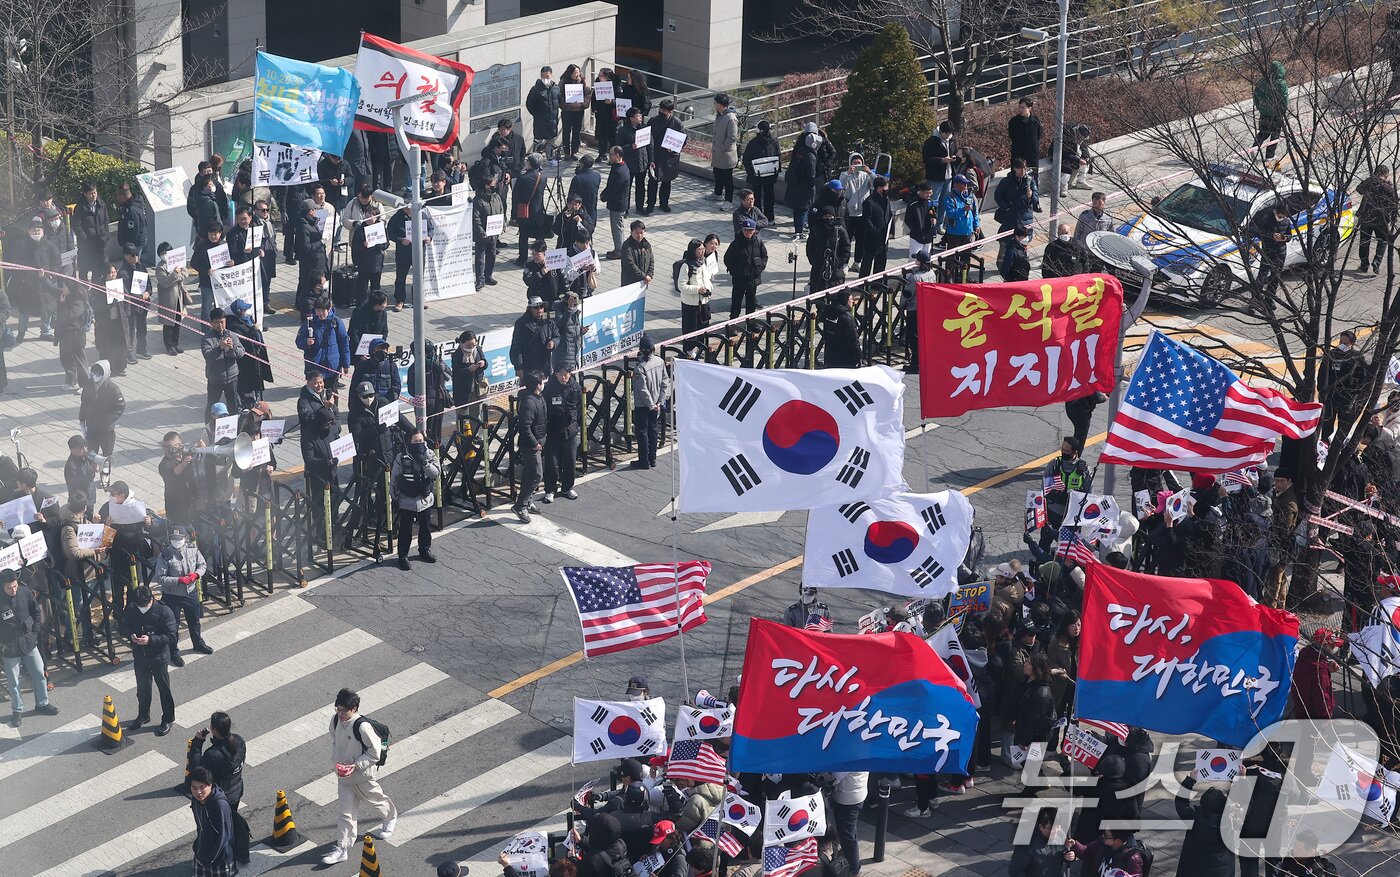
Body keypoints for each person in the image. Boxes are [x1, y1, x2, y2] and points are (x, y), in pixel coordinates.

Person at [322, 687, 397, 864]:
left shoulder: (362, 727)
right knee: (345, 813)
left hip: (362, 777)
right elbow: (334, 740)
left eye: (343, 710)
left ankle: (390, 817)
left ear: (354, 709)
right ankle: (343, 848)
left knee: (376, 801)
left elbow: (375, 753)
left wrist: (355, 766)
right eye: (337, 709)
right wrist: (337, 762)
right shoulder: (335, 721)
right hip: (344, 778)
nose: (339, 714)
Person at [1, 569, 59, 728]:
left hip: (28, 641)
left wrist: (35, 633)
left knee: (39, 673)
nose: (13, 590)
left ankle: (42, 703)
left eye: (14, 586)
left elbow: (36, 612)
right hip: (9, 647)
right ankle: (17, 710)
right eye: (9, 588)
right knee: (13, 681)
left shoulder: (24, 592)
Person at [192, 711, 249, 864]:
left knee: (216, 830)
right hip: (236, 791)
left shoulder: (214, 755)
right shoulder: (239, 741)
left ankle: (219, 857)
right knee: (230, 823)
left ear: (214, 729)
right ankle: (236, 851)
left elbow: (196, 771)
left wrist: (197, 743)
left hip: (220, 799)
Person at [119, 585, 178, 736]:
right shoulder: (132, 608)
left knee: (164, 689)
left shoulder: (164, 611)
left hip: (158, 657)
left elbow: (172, 636)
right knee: (142, 689)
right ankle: (143, 715)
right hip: (140, 656)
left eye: (144, 605)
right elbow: (123, 626)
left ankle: (168, 718)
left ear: (151, 599)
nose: (142, 609)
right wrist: (130, 634)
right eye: (139, 606)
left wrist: (151, 640)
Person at [155, 525, 210, 664]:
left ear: (185, 538)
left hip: (191, 592)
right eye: (173, 538)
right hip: (172, 595)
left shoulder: (192, 549)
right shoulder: (165, 555)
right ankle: (174, 651)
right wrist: (179, 580)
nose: (176, 541)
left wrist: (196, 574)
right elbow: (160, 578)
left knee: (194, 620)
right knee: (173, 626)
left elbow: (202, 565)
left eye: (179, 538)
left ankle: (198, 643)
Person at [392, 429, 440, 570]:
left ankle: (424, 550)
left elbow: (436, 474)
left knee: (425, 527)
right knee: (405, 530)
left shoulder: (429, 454)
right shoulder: (401, 457)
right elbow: (394, 479)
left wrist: (425, 464)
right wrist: (395, 497)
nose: (419, 443)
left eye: (421, 441)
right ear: (409, 441)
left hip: (425, 499)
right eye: (416, 441)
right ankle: (403, 555)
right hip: (407, 500)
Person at [1041, 436, 1092, 550]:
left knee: (1070, 547)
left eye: (1067, 451)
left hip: (1072, 515)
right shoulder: (1054, 465)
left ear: (1075, 452)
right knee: (1045, 542)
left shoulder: (1084, 470)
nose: (1063, 453)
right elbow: (1044, 488)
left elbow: (1089, 494)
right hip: (1053, 511)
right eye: (1062, 449)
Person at [543, 363, 582, 503]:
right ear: (556, 374)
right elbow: (544, 408)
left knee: (570, 461)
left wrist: (577, 425)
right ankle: (550, 489)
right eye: (561, 374)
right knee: (551, 463)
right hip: (554, 430)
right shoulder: (549, 389)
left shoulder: (575, 388)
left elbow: (580, 407)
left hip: (570, 431)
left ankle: (568, 487)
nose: (563, 377)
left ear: (570, 374)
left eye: (566, 374)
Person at [189, 766, 238, 877]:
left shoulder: (220, 805)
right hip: (201, 854)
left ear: (210, 785)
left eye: (202, 787)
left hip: (220, 860)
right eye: (194, 788)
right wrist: (197, 847)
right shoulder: (196, 801)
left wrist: (209, 859)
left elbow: (224, 836)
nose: (198, 792)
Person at [297, 298, 351, 396]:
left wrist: (346, 364)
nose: (320, 313)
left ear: (329, 309)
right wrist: (306, 342)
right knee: (314, 394)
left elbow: (344, 344)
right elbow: (298, 341)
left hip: (332, 366)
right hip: (314, 366)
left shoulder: (336, 323)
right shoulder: (310, 322)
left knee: (331, 393)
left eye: (323, 311)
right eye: (318, 310)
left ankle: (333, 411)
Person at [1321, 329, 1368, 439]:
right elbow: (1322, 373)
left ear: (1351, 344)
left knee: (1343, 427)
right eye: (1340, 342)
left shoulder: (1357, 358)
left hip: (1346, 399)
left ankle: (1337, 448)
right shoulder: (1332, 354)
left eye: (1345, 343)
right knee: (1327, 424)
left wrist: (1354, 393)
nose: (1342, 345)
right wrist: (1322, 389)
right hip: (1331, 396)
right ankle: (1325, 445)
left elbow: (1363, 378)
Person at [514, 371, 547, 523]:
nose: (544, 383)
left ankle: (527, 500)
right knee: (536, 475)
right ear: (537, 385)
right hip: (531, 445)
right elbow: (524, 427)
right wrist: (535, 443)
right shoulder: (528, 402)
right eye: (542, 381)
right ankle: (521, 504)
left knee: (529, 473)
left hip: (538, 441)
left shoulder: (537, 398)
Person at [630, 336, 668, 470]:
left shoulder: (640, 368)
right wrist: (659, 402)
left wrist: (651, 404)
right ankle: (653, 458)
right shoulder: (660, 361)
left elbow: (642, 389)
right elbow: (665, 383)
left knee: (642, 433)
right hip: (657, 405)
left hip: (643, 406)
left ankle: (644, 460)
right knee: (653, 431)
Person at [202, 308, 246, 413]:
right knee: (212, 405)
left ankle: (234, 427)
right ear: (211, 323)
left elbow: (241, 353)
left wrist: (233, 348)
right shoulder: (207, 339)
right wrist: (219, 347)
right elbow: (208, 356)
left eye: (222, 322)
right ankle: (209, 427)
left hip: (231, 377)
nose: (220, 325)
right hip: (215, 378)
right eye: (216, 322)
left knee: (233, 405)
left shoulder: (232, 335)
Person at [1355, 165, 1397, 274]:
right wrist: (1393, 218)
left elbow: (1359, 189)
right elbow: (1394, 204)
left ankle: (1364, 264)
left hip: (1366, 217)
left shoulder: (1370, 183)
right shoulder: (1388, 188)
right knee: (1382, 240)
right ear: (1386, 175)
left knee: (1364, 241)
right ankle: (1377, 261)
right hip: (1381, 219)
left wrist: (1370, 181)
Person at [79, 360, 125, 457]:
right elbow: (84, 404)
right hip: (91, 427)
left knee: (107, 456)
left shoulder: (113, 389)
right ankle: (90, 471)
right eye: (94, 372)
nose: (95, 375)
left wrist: (106, 421)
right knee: (91, 454)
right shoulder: (88, 386)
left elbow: (119, 407)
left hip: (106, 430)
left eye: (99, 373)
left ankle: (105, 472)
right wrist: (82, 419)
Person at [724, 219, 768, 319]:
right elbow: (727, 259)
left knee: (751, 302)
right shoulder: (736, 243)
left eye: (750, 230)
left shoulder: (758, 242)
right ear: (742, 230)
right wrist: (735, 272)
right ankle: (733, 323)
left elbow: (764, 256)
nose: (748, 232)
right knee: (736, 301)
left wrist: (759, 269)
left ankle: (751, 322)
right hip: (739, 279)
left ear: (754, 230)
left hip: (753, 278)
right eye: (746, 230)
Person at [646, 100, 685, 214]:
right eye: (661, 109)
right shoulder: (653, 121)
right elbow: (649, 137)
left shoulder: (676, 123)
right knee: (653, 181)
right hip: (655, 154)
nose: (662, 112)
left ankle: (664, 203)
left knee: (667, 181)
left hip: (669, 157)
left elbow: (683, 139)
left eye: (665, 110)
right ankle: (650, 204)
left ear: (670, 111)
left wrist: (674, 148)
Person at [902, 251, 937, 373]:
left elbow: (908, 294)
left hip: (914, 309)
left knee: (913, 338)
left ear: (920, 262)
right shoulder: (932, 273)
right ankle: (922, 362)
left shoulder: (915, 277)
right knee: (923, 337)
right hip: (926, 309)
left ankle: (915, 365)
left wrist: (903, 305)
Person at [676, 238, 714, 354]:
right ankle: (689, 352)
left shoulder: (703, 263)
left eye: (703, 249)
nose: (702, 252)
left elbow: (707, 279)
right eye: (699, 250)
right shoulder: (686, 266)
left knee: (703, 328)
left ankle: (701, 349)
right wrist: (698, 289)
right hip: (691, 304)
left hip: (704, 302)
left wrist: (708, 288)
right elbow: (681, 286)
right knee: (690, 330)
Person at [941, 174, 981, 283]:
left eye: (966, 183)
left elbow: (975, 212)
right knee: (951, 258)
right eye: (963, 184)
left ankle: (964, 276)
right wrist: (963, 209)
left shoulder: (970, 196)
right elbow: (950, 213)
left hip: (968, 232)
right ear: (956, 185)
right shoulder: (950, 197)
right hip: (955, 232)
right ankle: (949, 277)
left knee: (966, 257)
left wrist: (976, 224)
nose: (966, 186)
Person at [995, 158, 1041, 253]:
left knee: (1022, 247)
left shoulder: (1030, 181)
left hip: (1025, 219)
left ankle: (1020, 264)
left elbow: (1036, 199)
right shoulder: (1006, 181)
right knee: (1006, 245)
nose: (1023, 171)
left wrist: (1031, 196)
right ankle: (1003, 265)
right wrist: (1006, 207)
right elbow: (998, 195)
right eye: (1020, 168)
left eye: (1024, 168)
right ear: (1015, 169)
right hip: (1010, 219)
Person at [155, 242, 191, 356]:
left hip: (179, 296)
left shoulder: (177, 262)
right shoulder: (160, 267)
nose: (164, 255)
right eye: (162, 253)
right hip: (168, 297)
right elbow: (164, 282)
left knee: (178, 322)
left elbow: (186, 273)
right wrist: (175, 274)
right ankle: (168, 345)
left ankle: (175, 343)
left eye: (166, 252)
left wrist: (176, 275)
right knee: (168, 323)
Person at [511, 297, 561, 378]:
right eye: (536, 308)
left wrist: (553, 342)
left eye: (541, 307)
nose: (540, 310)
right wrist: (519, 367)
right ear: (530, 309)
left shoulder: (548, 321)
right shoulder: (522, 323)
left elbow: (557, 336)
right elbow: (516, 347)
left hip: (545, 365)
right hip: (529, 366)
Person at [786, 124, 821, 240]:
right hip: (804, 187)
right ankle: (799, 232)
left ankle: (798, 230)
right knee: (803, 209)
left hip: (796, 185)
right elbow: (811, 174)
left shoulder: (800, 151)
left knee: (798, 209)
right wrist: (812, 186)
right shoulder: (811, 156)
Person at [55, 278, 91, 391]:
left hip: (76, 336)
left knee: (80, 361)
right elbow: (51, 289)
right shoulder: (65, 297)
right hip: (65, 336)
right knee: (66, 359)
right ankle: (71, 381)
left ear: (70, 288)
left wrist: (62, 304)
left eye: (65, 286)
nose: (63, 289)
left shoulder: (78, 301)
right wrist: (42, 278)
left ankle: (85, 385)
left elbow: (69, 316)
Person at [922, 120, 959, 230]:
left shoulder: (952, 141)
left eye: (950, 133)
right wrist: (942, 160)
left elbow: (956, 152)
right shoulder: (931, 142)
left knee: (944, 202)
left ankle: (939, 225)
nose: (948, 136)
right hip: (936, 177)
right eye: (946, 133)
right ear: (941, 131)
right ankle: (930, 225)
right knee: (933, 202)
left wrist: (956, 158)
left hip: (949, 176)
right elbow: (927, 159)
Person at [1007, 809, 1065, 877]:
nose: (1055, 832)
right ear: (1041, 827)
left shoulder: (1060, 834)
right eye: (1051, 829)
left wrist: (1070, 856)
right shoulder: (1027, 844)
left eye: (1057, 827)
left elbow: (1065, 853)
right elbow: (1015, 869)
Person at [743, 119, 781, 222]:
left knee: (756, 197)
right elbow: (778, 157)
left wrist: (750, 173)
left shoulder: (753, 143)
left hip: (756, 175)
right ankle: (770, 218)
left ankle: (757, 217)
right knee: (769, 196)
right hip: (770, 174)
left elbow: (746, 159)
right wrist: (776, 173)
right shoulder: (774, 142)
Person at [473, 172, 506, 290]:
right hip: (482, 235)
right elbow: (476, 219)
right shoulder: (478, 200)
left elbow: (501, 211)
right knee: (480, 258)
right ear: (487, 185)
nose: (495, 185)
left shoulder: (496, 197)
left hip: (494, 233)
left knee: (491, 255)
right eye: (493, 183)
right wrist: (482, 232)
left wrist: (503, 224)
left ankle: (488, 275)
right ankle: (480, 279)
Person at [74, 181, 111, 284]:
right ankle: (83, 292)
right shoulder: (80, 207)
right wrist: (84, 238)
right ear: (85, 194)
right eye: (90, 193)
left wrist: (106, 234)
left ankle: (97, 292)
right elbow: (76, 225)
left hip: (100, 243)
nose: (93, 195)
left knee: (99, 269)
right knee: (84, 269)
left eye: (95, 192)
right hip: (87, 245)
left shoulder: (101, 204)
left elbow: (106, 221)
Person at [808, 207, 851, 294]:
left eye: (830, 216)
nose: (828, 219)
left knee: (836, 294)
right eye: (826, 216)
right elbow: (810, 248)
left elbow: (846, 247)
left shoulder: (840, 230)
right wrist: (814, 261)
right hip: (819, 267)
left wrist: (840, 262)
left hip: (836, 269)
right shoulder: (816, 229)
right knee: (817, 293)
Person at [840, 155, 873, 267]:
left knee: (861, 240)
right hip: (850, 214)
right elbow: (842, 186)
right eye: (855, 162)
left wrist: (869, 172)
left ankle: (857, 262)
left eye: (859, 162)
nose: (857, 165)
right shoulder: (845, 175)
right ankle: (844, 263)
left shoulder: (866, 176)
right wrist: (848, 173)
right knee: (846, 240)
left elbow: (875, 184)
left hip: (863, 213)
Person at [617, 108, 651, 216]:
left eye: (640, 116)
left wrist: (651, 160)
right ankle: (625, 208)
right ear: (631, 118)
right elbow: (618, 147)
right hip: (629, 163)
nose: (640, 118)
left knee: (641, 187)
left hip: (642, 162)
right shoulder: (624, 130)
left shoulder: (644, 128)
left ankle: (639, 207)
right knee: (627, 187)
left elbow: (651, 145)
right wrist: (630, 147)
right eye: (637, 116)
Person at [858, 176, 894, 278]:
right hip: (872, 238)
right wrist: (874, 232)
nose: (887, 190)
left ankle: (877, 284)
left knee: (881, 262)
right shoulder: (869, 202)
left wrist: (891, 231)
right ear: (879, 188)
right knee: (867, 262)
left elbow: (889, 214)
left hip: (884, 237)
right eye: (885, 187)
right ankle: (862, 283)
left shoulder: (886, 200)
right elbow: (867, 220)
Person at [709, 93, 740, 209]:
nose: (714, 105)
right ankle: (717, 193)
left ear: (720, 105)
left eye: (715, 103)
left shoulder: (730, 118)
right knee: (717, 173)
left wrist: (723, 147)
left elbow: (732, 137)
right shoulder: (719, 115)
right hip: (718, 153)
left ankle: (729, 201)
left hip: (726, 154)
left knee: (727, 179)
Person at [1253, 60, 1289, 159]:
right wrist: (1283, 110)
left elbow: (1255, 95)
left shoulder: (1262, 81)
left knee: (1263, 132)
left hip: (1264, 112)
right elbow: (1284, 98)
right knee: (1275, 135)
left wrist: (1259, 107)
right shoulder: (1281, 83)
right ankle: (1270, 155)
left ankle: (1254, 148)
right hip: (1276, 113)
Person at [600, 146, 632, 259]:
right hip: (619, 202)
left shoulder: (619, 171)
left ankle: (619, 251)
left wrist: (603, 196)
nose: (609, 156)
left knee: (617, 228)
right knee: (618, 227)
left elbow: (613, 188)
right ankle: (618, 248)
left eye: (611, 155)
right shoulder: (621, 166)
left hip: (617, 204)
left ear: (617, 155)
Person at [822, 289, 861, 369]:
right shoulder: (846, 318)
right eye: (851, 299)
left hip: (830, 356)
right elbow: (853, 340)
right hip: (845, 360)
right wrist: (858, 356)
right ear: (846, 301)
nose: (853, 302)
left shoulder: (828, 312)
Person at [526, 65, 561, 152]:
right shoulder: (536, 89)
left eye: (547, 76)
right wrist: (537, 114)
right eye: (543, 76)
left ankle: (550, 158)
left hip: (552, 121)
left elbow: (559, 101)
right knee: (538, 142)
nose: (545, 78)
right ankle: (536, 160)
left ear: (551, 75)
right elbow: (529, 104)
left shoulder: (556, 88)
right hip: (540, 122)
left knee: (550, 142)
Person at [554, 291, 591, 371]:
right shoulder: (559, 311)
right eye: (573, 305)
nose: (575, 307)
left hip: (575, 351)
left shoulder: (575, 313)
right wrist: (569, 309)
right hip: (564, 353)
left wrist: (581, 331)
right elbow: (561, 324)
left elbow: (573, 329)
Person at [1007, 98, 1043, 181]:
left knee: (1032, 178)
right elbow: (1012, 136)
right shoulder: (1014, 121)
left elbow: (1039, 135)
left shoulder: (1035, 120)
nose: (1021, 110)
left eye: (1023, 108)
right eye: (1019, 107)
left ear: (1029, 108)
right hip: (1018, 153)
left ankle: (1033, 193)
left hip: (1032, 154)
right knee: (1016, 177)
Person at [559, 63, 590, 160]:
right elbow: (559, 96)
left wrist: (581, 104)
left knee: (576, 132)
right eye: (575, 73)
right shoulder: (563, 82)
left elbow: (588, 95)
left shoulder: (583, 82)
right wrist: (567, 104)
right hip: (567, 111)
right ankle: (566, 152)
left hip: (578, 111)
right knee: (566, 131)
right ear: (570, 73)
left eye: (578, 72)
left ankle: (574, 152)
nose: (577, 74)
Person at [348, 291, 390, 360]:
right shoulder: (359, 312)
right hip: (361, 350)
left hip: (376, 350)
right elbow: (354, 332)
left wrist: (381, 346)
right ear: (377, 304)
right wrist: (360, 352)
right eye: (384, 303)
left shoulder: (383, 314)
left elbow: (384, 331)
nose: (386, 305)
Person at [904, 180, 938, 260]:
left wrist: (934, 220)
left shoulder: (931, 203)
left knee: (926, 259)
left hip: (928, 237)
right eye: (926, 193)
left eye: (930, 193)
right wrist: (916, 230)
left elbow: (935, 215)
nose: (929, 195)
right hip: (916, 237)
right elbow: (907, 220)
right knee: (914, 259)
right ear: (920, 192)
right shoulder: (913, 204)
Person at [568, 155, 602, 232]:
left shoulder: (577, 178)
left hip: (580, 210)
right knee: (589, 230)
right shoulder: (597, 176)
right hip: (592, 209)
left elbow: (571, 196)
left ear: (582, 164)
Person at [592, 69, 619, 157]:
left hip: (611, 116)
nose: (600, 77)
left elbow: (620, 101)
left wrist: (612, 102)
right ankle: (601, 154)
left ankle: (612, 155)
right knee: (601, 136)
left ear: (607, 77)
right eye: (599, 75)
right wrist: (594, 108)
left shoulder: (616, 87)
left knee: (612, 137)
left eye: (602, 76)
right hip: (600, 114)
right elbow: (593, 98)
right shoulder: (598, 84)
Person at [620, 221, 654, 287]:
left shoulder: (646, 245)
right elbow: (630, 264)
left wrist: (649, 274)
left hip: (643, 281)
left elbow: (651, 260)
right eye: (637, 233)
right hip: (630, 282)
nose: (639, 235)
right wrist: (644, 276)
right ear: (631, 233)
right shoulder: (627, 246)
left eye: (641, 233)